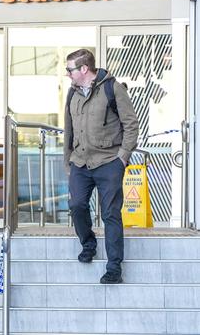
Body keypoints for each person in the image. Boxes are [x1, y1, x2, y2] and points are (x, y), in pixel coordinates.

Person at [63, 49, 139, 285]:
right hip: (80, 162)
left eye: (70, 69)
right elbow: (69, 129)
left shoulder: (113, 88)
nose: (68, 74)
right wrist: (68, 160)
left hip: (108, 162)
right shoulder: (72, 93)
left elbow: (131, 124)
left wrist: (122, 158)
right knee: (76, 206)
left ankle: (114, 268)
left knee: (110, 214)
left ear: (84, 69)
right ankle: (89, 243)